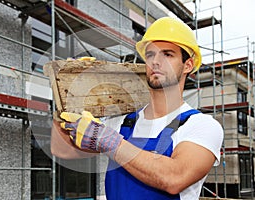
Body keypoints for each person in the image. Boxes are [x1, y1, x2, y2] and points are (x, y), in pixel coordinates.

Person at [51, 17, 224, 200]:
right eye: (150, 55)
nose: (155, 62)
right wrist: (66, 94)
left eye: (167, 54)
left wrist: (111, 142)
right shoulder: (122, 121)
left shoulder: (201, 125)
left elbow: (174, 178)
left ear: (188, 65)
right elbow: (61, 150)